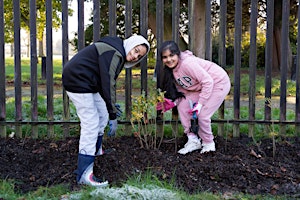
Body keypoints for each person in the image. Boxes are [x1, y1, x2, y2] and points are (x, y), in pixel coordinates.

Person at [62, 35, 150, 187]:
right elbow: (108, 83)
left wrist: (110, 108)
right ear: (131, 43)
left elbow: (105, 81)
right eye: (136, 50)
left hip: (89, 82)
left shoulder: (117, 50)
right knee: (91, 124)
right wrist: (113, 114)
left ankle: (97, 152)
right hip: (77, 80)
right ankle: (84, 174)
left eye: (139, 56)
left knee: (102, 115)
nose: (135, 56)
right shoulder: (115, 52)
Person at [157, 41, 230, 155]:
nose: (169, 60)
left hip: (218, 83)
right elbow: (184, 89)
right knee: (182, 105)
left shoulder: (187, 64)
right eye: (165, 57)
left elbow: (207, 81)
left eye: (172, 55)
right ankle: (193, 140)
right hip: (201, 87)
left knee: (203, 115)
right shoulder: (171, 70)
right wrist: (173, 102)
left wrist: (200, 104)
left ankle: (209, 144)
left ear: (178, 54)